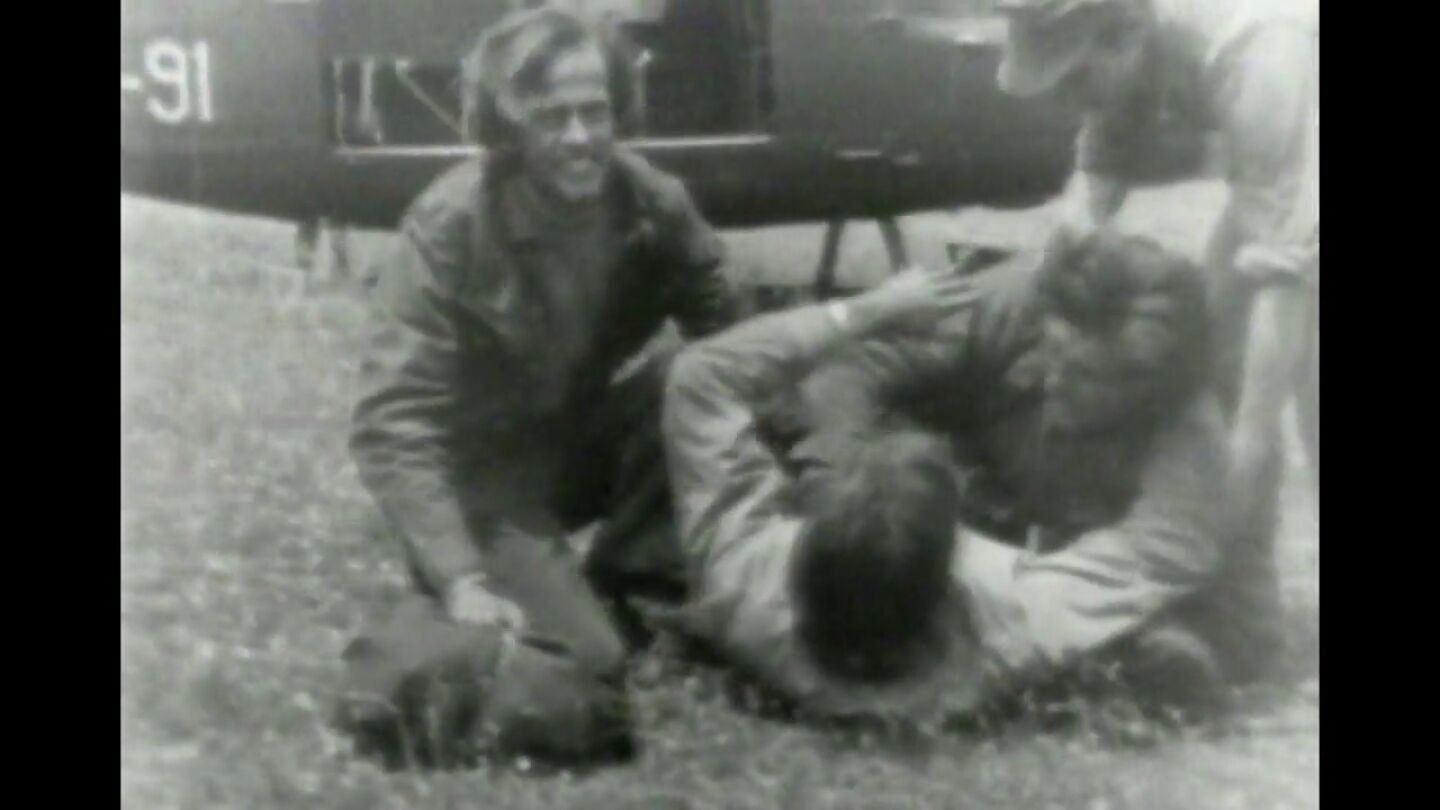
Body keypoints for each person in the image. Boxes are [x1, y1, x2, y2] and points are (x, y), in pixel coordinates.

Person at [339, 5, 737, 765]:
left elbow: (734, 345)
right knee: (591, 665)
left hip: (568, 442)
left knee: (686, 377)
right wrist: (459, 576)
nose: (581, 137)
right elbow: (393, 423)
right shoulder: (451, 223)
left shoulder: (652, 201)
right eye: (553, 116)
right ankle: (421, 634)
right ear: (509, 124)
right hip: (481, 483)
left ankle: (632, 587)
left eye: (596, 111)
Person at [656, 228, 1249, 721]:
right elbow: (1166, 548)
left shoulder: (741, 582)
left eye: (1085, 374)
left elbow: (701, 376)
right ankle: (1129, 651)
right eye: (1054, 354)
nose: (1055, 381)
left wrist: (859, 312)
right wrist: (851, 495)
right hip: (991, 548)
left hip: (871, 533)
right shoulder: (1012, 625)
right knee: (1151, 623)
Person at [994, 0, 1318, 673]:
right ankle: (1242, 618)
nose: (1069, 100)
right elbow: (1092, 190)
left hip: (1296, 161)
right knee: (1213, 352)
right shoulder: (1130, 38)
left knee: (1292, 383)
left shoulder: (1261, 48)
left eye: (1076, 79)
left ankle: (1241, 606)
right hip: (1278, 182)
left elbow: (1285, 269)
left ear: (1125, 39)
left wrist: (1249, 442)